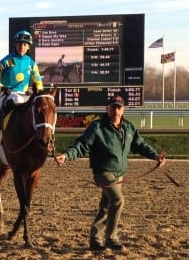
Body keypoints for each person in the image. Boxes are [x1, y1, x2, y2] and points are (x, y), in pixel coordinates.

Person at [55, 95, 166, 251]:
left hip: (119, 172)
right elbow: (81, 145)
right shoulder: (97, 127)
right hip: (103, 172)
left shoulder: (129, 128)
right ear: (107, 109)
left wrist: (155, 155)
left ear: (123, 109)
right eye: (113, 107)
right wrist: (66, 156)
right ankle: (111, 238)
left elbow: (140, 145)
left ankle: (95, 238)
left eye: (119, 107)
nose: (116, 110)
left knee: (106, 205)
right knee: (118, 200)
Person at [0, 30, 43, 130]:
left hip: (25, 95)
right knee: (17, 99)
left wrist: (35, 91)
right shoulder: (7, 61)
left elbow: (38, 82)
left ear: (28, 47)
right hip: (8, 95)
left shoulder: (31, 63)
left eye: (24, 44)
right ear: (15, 45)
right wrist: (2, 88)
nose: (22, 46)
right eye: (19, 44)